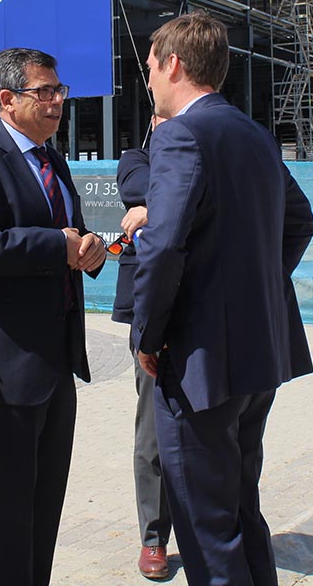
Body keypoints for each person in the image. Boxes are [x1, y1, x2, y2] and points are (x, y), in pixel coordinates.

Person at [131, 12, 313, 586]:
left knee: (208, 532)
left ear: (174, 65)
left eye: (151, 68)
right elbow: (299, 222)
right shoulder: (254, 134)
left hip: (199, 364)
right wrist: (250, 290)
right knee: (239, 508)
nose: (149, 81)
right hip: (258, 354)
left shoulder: (181, 133)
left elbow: (161, 248)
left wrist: (149, 335)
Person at [0, 47, 107, 586]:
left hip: (55, 361)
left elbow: (68, 236)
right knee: (11, 503)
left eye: (60, 92)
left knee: (46, 500)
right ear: (7, 100)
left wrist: (90, 249)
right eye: (45, 92)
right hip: (2, 366)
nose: (58, 102)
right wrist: (55, 245)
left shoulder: (51, 159)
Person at [111, 120, 174, 580]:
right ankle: (153, 539)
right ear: (154, 127)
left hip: (205, 318)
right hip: (150, 319)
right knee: (152, 435)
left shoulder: (203, 163)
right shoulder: (136, 160)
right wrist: (164, 202)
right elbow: (140, 185)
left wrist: (155, 212)